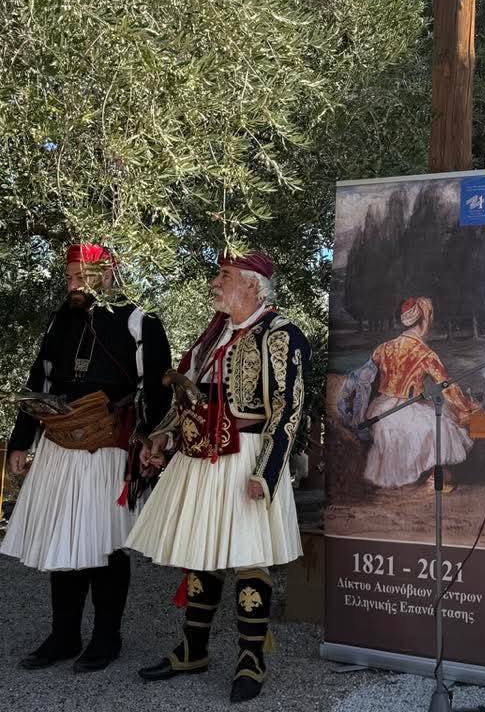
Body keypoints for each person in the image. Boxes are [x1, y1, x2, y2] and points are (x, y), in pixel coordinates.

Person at [126, 250, 308, 703]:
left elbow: (288, 408)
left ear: (252, 284)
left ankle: (251, 658)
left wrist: (267, 472)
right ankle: (193, 649)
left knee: (250, 557)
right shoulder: (211, 336)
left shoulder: (280, 334)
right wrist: (162, 436)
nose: (214, 282)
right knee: (201, 551)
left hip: (247, 456)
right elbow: (187, 398)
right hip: (199, 455)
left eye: (223, 275)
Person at [2, 243, 172, 673]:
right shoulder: (60, 319)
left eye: (82, 277)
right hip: (60, 445)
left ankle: (106, 638)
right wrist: (21, 441)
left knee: (106, 546)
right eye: (69, 277)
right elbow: (38, 381)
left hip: (109, 448)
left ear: (108, 272)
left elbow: (158, 389)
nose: (73, 285)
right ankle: (64, 636)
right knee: (63, 539)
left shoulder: (140, 321)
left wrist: (151, 442)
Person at [362, 296, 481, 489]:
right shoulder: (425, 353)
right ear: (424, 318)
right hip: (405, 409)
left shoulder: (383, 348)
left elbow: (368, 380)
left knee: (435, 419)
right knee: (444, 425)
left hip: (379, 409)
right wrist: (466, 407)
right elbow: (447, 386)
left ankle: (432, 475)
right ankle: (435, 478)